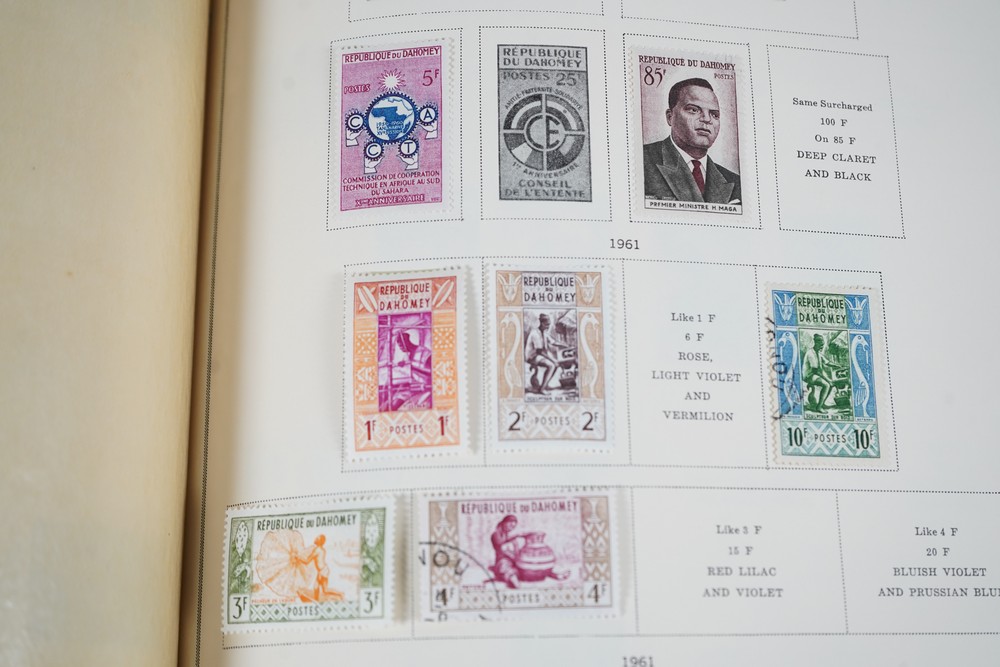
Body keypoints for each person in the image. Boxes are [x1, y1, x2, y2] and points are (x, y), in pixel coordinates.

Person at [642, 77, 741, 205]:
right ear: (670, 117)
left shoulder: (735, 181)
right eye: (694, 110)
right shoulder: (642, 159)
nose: (707, 119)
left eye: (714, 114)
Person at [296, 534, 344, 602]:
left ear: (320, 541)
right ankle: (316, 600)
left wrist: (298, 558)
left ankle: (340, 594)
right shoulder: (321, 549)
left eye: (317, 538)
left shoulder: (317, 550)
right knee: (317, 588)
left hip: (323, 571)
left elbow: (307, 561)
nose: (315, 538)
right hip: (322, 570)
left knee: (323, 590)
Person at [524, 313, 561, 395]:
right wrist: (552, 360)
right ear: (542, 323)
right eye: (547, 324)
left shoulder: (544, 332)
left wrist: (565, 345)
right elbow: (539, 351)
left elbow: (553, 342)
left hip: (539, 355)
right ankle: (542, 389)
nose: (548, 327)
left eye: (549, 324)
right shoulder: (535, 333)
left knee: (556, 364)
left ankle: (545, 384)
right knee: (551, 365)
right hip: (532, 356)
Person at [491, 515, 528, 589]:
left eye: (513, 526)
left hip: (513, 562)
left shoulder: (509, 536)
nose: (511, 528)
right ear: (504, 523)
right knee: (507, 569)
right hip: (502, 562)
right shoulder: (495, 534)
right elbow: (499, 543)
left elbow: (516, 552)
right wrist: (515, 536)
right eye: (510, 524)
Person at [802, 334, 833, 412]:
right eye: (821, 345)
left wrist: (838, 366)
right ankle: (819, 407)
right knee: (827, 385)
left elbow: (827, 362)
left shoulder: (818, 354)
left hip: (814, 374)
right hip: (808, 376)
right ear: (816, 343)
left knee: (831, 384)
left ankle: (822, 403)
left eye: (823, 345)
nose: (822, 347)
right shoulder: (810, 353)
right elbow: (815, 371)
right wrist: (828, 380)